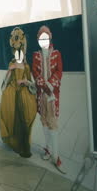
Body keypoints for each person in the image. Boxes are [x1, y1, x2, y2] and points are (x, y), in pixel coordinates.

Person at [32, 25, 65, 174]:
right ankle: (48, 149)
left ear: (50, 37)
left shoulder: (57, 53)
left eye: (45, 37)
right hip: (41, 94)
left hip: (51, 95)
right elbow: (35, 71)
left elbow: (59, 71)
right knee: (44, 120)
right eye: (40, 37)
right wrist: (42, 84)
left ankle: (56, 155)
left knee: (53, 123)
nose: (43, 39)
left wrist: (49, 85)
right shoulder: (36, 55)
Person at [0, 27, 37, 158]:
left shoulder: (26, 66)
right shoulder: (12, 63)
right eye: (16, 51)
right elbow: (5, 81)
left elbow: (32, 84)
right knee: (12, 118)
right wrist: (10, 70)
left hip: (24, 96)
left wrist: (25, 82)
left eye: (19, 51)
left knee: (24, 120)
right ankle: (16, 145)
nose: (18, 53)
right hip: (12, 95)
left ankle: (24, 147)